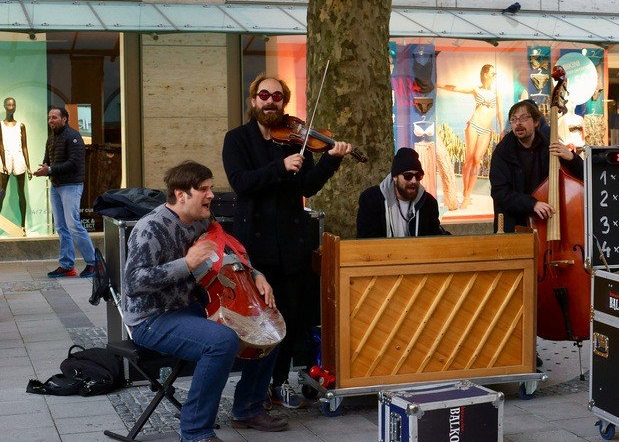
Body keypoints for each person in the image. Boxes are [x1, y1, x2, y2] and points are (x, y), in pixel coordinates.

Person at [123, 161, 288, 442]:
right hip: (152, 318)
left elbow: (229, 251)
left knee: (267, 324)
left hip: (192, 307)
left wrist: (255, 273)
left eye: (211, 188)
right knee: (220, 341)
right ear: (180, 194)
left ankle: (248, 408)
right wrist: (186, 264)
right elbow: (135, 283)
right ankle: (195, 432)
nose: (212, 195)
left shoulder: (202, 220)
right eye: (203, 189)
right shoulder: (149, 228)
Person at [222, 73, 351, 409]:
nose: (270, 101)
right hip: (257, 247)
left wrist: (331, 160)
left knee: (290, 319)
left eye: (277, 97)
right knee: (260, 322)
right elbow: (241, 183)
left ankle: (279, 383)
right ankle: (255, 390)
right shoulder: (237, 139)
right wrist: (280, 167)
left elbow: (306, 187)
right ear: (253, 101)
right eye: (263, 95)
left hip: (292, 244)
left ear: (284, 103)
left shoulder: (297, 141)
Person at [490, 100, 583, 233]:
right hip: (514, 227)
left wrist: (572, 158)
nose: (518, 123)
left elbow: (584, 177)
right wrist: (532, 204)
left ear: (536, 122)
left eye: (523, 118)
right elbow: (500, 192)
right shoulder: (502, 152)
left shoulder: (550, 147)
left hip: (548, 224)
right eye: (513, 120)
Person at [32, 107, 96, 278]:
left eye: (55, 117)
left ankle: (93, 263)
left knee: (73, 225)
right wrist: (44, 169)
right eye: (49, 117)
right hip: (56, 187)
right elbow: (48, 161)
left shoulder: (73, 137)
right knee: (61, 226)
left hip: (71, 186)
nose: (51, 120)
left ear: (65, 119)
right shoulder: (51, 139)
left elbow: (74, 164)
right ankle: (67, 266)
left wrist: (50, 169)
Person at [438, 64, 503, 210]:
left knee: (477, 160)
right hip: (473, 125)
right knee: (468, 159)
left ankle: (468, 194)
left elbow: (499, 111)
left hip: (486, 129)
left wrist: (502, 128)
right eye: (492, 73)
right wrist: (438, 85)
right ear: (485, 74)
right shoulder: (476, 89)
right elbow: (455, 88)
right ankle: (465, 190)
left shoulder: (496, 92)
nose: (494, 76)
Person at [356, 147, 446, 238]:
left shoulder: (429, 203)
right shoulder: (371, 200)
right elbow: (366, 241)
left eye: (418, 176)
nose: (414, 181)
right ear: (395, 177)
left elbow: (435, 238)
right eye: (408, 176)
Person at [0, 97, 32, 236]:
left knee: (21, 192)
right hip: (4, 159)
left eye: (13, 104)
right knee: (1, 193)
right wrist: (3, 163)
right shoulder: (0, 125)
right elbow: (0, 145)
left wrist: (29, 166)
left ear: (16, 106)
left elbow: (24, 146)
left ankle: (23, 226)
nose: (11, 107)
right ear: (4, 106)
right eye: (8, 104)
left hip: (19, 158)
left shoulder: (21, 126)